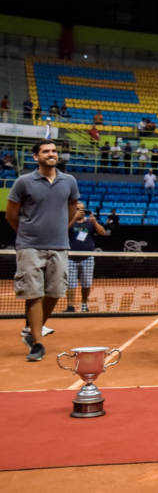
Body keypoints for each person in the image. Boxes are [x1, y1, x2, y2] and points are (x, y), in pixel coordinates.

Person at [6, 140, 80, 361]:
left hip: (60, 245)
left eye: (54, 151)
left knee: (55, 292)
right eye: (46, 151)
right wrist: (27, 234)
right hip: (29, 246)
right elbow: (11, 214)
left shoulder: (69, 181)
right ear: (36, 157)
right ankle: (38, 343)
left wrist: (61, 230)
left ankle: (31, 329)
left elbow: (72, 208)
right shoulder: (23, 182)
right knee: (33, 294)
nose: (51, 154)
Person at [66, 203, 106, 312]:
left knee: (86, 284)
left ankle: (84, 305)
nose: (81, 211)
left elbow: (103, 232)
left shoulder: (90, 222)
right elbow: (62, 231)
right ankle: (70, 306)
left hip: (87, 258)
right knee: (70, 284)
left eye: (82, 209)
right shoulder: (68, 221)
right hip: (70, 258)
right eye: (78, 209)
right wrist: (74, 219)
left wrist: (95, 222)